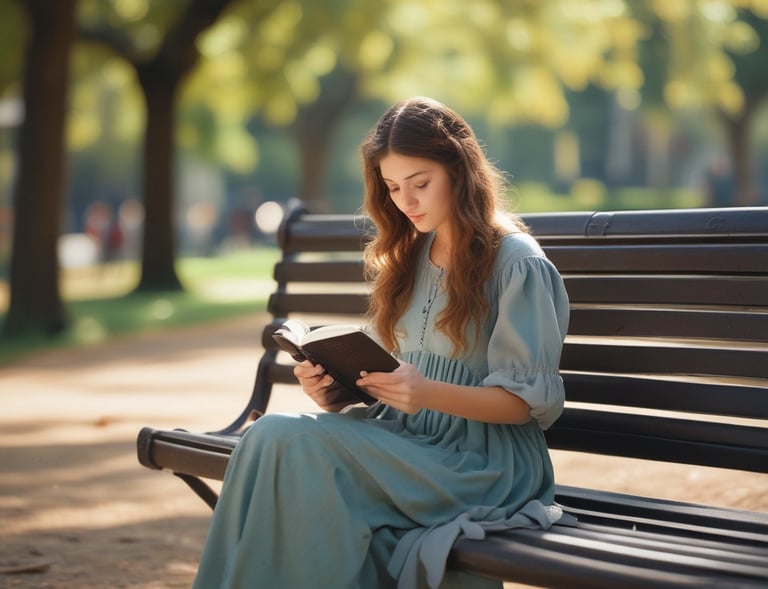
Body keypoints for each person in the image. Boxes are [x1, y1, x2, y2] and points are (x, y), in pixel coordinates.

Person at [191, 97, 572, 589]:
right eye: (393, 188)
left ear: (460, 171)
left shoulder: (516, 262)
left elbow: (526, 406)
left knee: (289, 445)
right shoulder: (410, 257)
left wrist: (429, 393)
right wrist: (335, 388)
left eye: (420, 184)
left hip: (483, 463)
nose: (407, 202)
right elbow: (392, 379)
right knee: (266, 438)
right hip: (406, 445)